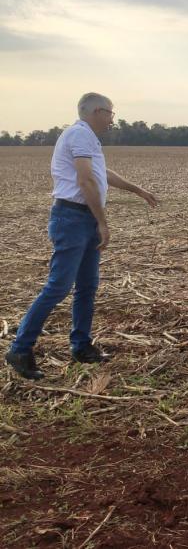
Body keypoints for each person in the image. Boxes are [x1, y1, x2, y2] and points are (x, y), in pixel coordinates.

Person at [5, 92, 158, 380]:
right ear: (97, 111)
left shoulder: (88, 138)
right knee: (58, 286)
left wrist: (137, 190)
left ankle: (81, 346)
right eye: (110, 113)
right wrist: (102, 222)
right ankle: (20, 348)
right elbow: (85, 180)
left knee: (87, 286)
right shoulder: (79, 134)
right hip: (72, 218)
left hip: (82, 218)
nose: (112, 119)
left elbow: (101, 172)